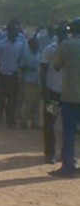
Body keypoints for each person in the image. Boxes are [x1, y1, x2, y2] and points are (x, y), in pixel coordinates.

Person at [49, 18, 80, 177]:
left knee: (68, 132)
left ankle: (68, 166)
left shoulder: (66, 45)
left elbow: (56, 65)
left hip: (70, 95)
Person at [0, 22, 25, 128]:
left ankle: (11, 121)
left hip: (13, 75)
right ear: (8, 32)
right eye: (12, 31)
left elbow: (21, 60)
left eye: (16, 31)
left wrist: (19, 72)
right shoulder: (1, 44)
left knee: (12, 100)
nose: (14, 33)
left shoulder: (21, 45)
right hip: (1, 73)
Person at [40, 24, 66, 164]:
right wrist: (45, 91)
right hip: (53, 92)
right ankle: (49, 153)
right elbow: (43, 70)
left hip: (68, 94)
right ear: (57, 33)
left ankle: (65, 153)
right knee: (50, 123)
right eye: (61, 32)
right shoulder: (50, 50)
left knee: (67, 125)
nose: (64, 35)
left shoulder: (71, 49)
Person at [18, 37, 41, 129]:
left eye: (37, 44)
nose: (37, 46)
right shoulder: (26, 55)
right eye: (35, 44)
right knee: (28, 102)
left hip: (38, 81)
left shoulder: (40, 54)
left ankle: (35, 122)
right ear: (30, 45)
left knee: (37, 103)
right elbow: (21, 67)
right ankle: (24, 121)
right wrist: (29, 68)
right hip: (29, 80)